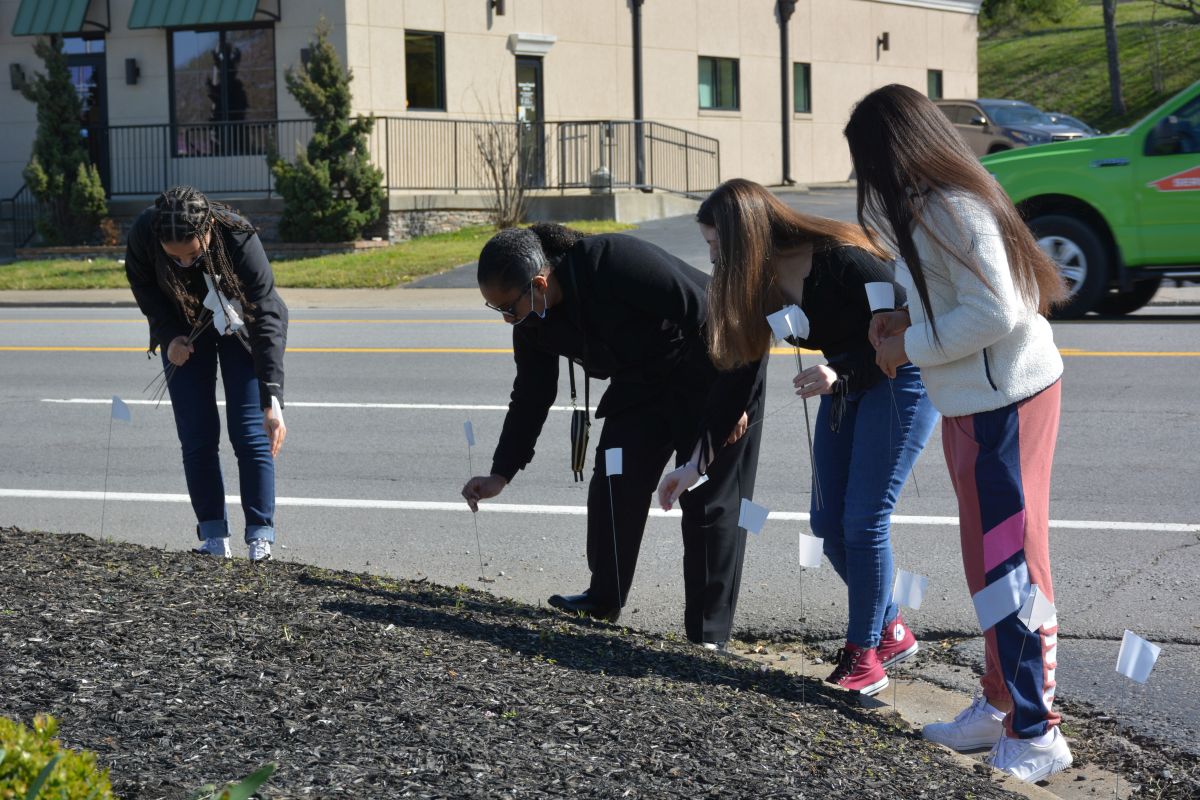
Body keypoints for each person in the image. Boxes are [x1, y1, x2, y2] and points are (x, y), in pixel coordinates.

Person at [844, 84, 1072, 782]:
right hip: (980, 403)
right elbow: (962, 300)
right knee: (989, 562)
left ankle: (1036, 731)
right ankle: (1003, 703)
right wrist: (905, 321)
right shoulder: (938, 203)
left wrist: (907, 345)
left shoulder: (948, 207)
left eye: (865, 162)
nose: (863, 178)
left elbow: (996, 311)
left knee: (1009, 567)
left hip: (1004, 403)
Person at [656, 179, 937, 696]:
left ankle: (864, 656)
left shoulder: (843, 259)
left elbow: (907, 327)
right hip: (844, 383)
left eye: (717, 244)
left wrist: (840, 373)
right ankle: (890, 628)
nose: (712, 257)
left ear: (744, 237)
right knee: (827, 525)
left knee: (864, 520)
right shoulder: (760, 284)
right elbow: (737, 378)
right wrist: (695, 464)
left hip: (899, 377)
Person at [461, 224, 766, 649]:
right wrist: (501, 473)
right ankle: (603, 598)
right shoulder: (532, 323)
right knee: (614, 480)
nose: (508, 319)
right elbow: (531, 394)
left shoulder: (613, 262)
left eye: (509, 308)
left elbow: (713, 315)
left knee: (706, 503)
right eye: (498, 310)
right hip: (640, 386)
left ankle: (707, 636)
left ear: (539, 284)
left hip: (715, 365)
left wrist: (733, 402)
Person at [125, 186, 288, 562]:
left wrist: (273, 398)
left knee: (250, 432)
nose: (184, 264)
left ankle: (260, 536)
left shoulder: (238, 236)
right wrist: (168, 335)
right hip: (182, 328)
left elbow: (265, 314)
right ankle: (214, 536)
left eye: (193, 255)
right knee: (196, 436)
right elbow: (144, 287)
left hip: (241, 323)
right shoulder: (144, 233)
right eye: (174, 257)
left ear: (209, 230)